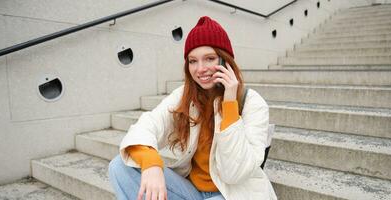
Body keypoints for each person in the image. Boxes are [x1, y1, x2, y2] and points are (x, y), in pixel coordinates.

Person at [108, 16, 277, 200]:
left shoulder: (252, 103)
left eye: (210, 58)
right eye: (192, 61)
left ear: (225, 61)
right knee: (119, 167)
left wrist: (229, 105)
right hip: (191, 191)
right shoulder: (185, 96)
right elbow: (149, 124)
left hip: (234, 194)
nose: (200, 68)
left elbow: (234, 174)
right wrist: (151, 163)